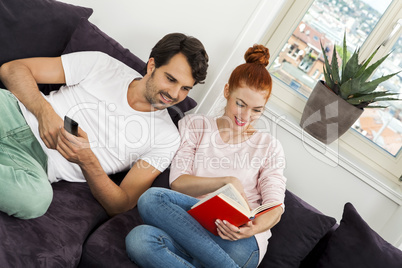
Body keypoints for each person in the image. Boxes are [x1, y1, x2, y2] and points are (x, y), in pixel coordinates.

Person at [0, 32, 209, 219]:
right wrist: (44, 113)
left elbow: (122, 204)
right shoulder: (103, 65)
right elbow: (13, 69)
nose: (174, 94)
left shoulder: (167, 139)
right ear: (152, 66)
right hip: (11, 113)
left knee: (34, 201)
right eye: (170, 79)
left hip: (35, 165)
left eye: (185, 88)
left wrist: (88, 161)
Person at [125, 44, 286, 268]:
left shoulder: (269, 146)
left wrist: (253, 228)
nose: (246, 116)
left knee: (151, 199)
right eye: (240, 104)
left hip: (237, 242)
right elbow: (178, 183)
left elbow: (275, 207)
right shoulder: (194, 125)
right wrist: (227, 181)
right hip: (191, 227)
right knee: (140, 237)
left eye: (257, 110)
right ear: (227, 91)